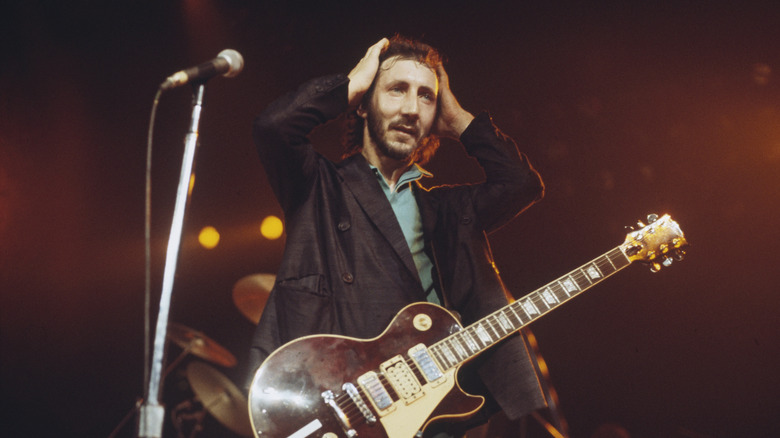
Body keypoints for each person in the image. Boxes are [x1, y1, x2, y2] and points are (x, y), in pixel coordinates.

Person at [247, 35, 547, 436]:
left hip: (435, 408)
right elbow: (273, 127)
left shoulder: (448, 210)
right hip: (347, 406)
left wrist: (458, 119)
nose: (410, 108)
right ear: (365, 107)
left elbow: (521, 184)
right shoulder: (318, 186)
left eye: (426, 97)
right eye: (396, 90)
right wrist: (350, 86)